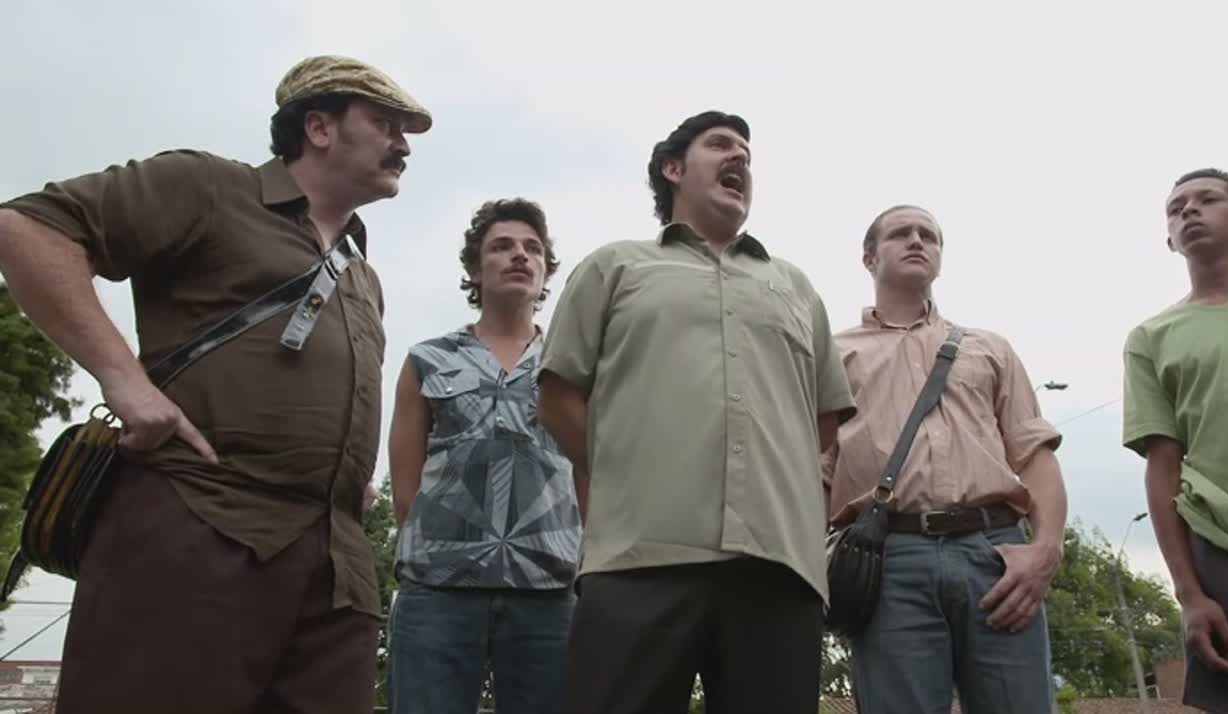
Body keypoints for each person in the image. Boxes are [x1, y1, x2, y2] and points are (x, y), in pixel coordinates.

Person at [0, 55, 431, 714]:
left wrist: (341, 469)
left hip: (336, 568)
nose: (403, 144)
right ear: (319, 127)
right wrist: (122, 378)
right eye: (385, 124)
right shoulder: (209, 187)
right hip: (199, 526)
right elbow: (29, 228)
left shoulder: (361, 272)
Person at [536, 110, 857, 714]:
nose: (740, 158)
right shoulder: (614, 266)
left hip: (778, 566)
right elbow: (557, 397)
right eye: (719, 145)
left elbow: (820, 422)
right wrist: (631, 474)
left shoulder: (795, 287)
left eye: (747, 154)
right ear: (673, 169)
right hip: (636, 559)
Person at [824, 205, 1067, 713]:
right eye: (901, 233)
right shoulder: (833, 354)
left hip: (997, 556)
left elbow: (1034, 454)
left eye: (928, 235)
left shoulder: (990, 348)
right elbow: (816, 472)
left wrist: (1045, 550)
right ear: (869, 258)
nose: (917, 240)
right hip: (886, 561)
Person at [385, 198, 580, 714]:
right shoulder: (428, 360)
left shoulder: (574, 366)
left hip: (550, 589)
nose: (520, 256)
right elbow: (404, 489)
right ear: (475, 268)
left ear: (546, 272)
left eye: (533, 249)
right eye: (502, 246)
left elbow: (592, 470)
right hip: (438, 589)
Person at [1123, 168, 1228, 714]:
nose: (1189, 210)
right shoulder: (1150, 339)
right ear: (1170, 239)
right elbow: (1163, 466)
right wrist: (1190, 595)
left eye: (1207, 199)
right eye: (1176, 208)